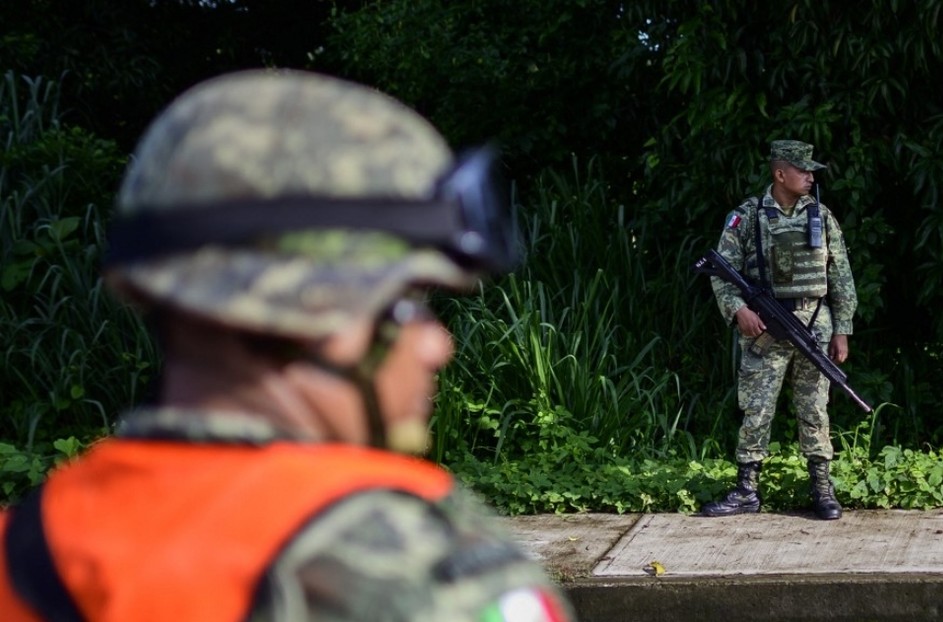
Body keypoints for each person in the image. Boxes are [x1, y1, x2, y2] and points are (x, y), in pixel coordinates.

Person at [0, 69, 575, 621]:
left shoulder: (27, 544)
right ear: (304, 308)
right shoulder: (407, 567)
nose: (436, 347)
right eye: (411, 304)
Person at [700, 140, 857, 521]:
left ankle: (822, 489)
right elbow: (721, 271)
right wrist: (738, 310)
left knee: (815, 409)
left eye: (811, 170)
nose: (810, 176)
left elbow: (841, 276)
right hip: (765, 327)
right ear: (780, 173)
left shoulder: (821, 215)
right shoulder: (748, 216)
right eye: (803, 170)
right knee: (756, 408)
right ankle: (746, 491)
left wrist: (843, 329)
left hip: (814, 324)